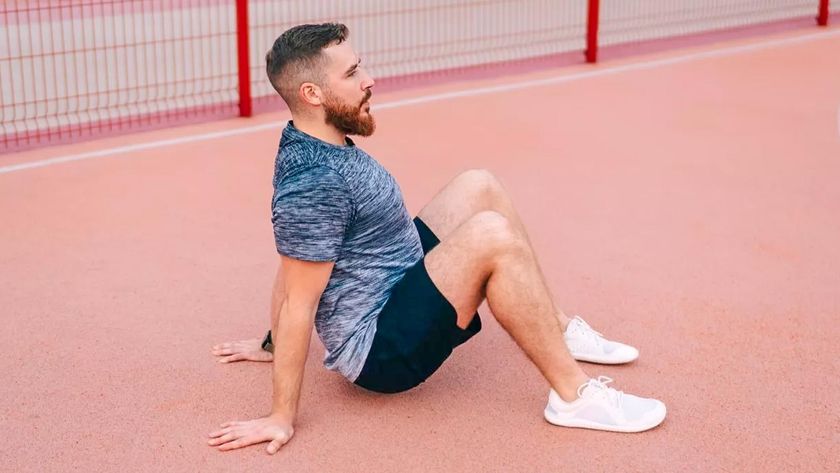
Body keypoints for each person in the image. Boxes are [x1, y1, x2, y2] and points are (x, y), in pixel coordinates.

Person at [208, 23, 666, 454]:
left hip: (397, 277)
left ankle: (559, 330)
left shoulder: (315, 139)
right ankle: (573, 395)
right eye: (351, 73)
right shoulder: (314, 183)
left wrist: (268, 343)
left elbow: (297, 253)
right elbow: (298, 296)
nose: (369, 80)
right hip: (380, 349)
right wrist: (280, 416)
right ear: (312, 94)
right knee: (492, 235)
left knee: (478, 183)